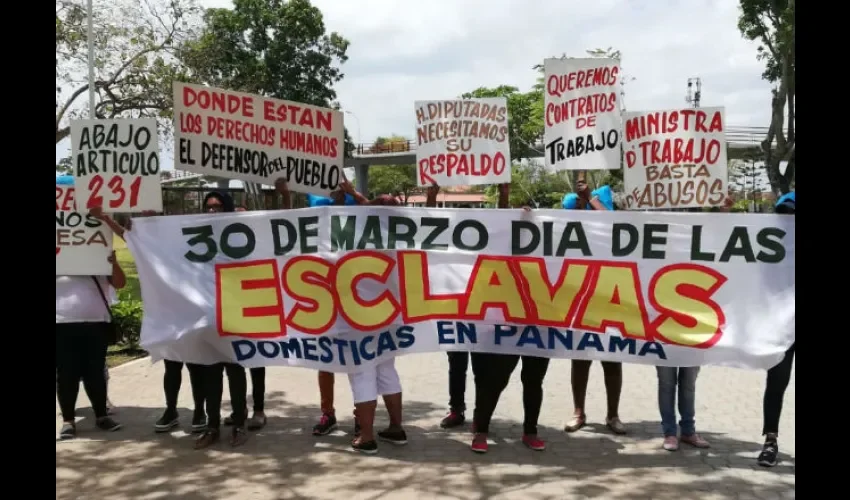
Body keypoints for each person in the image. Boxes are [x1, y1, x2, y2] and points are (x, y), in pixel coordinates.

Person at [470, 183, 550, 454]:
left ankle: (531, 431)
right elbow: (497, 233)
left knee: (533, 381)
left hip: (539, 325)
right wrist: (506, 207)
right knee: (495, 381)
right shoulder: (504, 251)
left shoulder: (548, 255)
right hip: (508, 325)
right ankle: (481, 430)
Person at [561, 181, 627, 435]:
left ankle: (613, 415)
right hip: (580, 302)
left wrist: (590, 199)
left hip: (612, 300)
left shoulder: (610, 227)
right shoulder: (570, 229)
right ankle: (578, 412)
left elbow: (611, 222)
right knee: (580, 360)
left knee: (612, 361)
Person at [56, 207, 126, 438]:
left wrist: (113, 263)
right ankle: (68, 420)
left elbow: (120, 283)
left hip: (96, 322)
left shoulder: (99, 256)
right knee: (67, 373)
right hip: (62, 323)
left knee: (94, 371)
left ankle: (101, 416)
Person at [346, 194, 408, 454]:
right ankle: (396, 427)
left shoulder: (357, 235)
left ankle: (367, 437)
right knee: (386, 371)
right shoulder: (406, 236)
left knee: (362, 372)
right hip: (391, 316)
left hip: (360, 315)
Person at [194, 191, 250, 449]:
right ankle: (212, 425)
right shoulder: (196, 236)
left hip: (235, 315)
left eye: (217, 207)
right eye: (208, 207)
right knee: (210, 375)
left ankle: (239, 423)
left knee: (236, 373)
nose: (212, 211)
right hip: (208, 316)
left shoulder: (239, 236)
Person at [309, 183, 360, 436]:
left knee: (356, 360)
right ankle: (327, 413)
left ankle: (361, 413)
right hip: (323, 298)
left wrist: (349, 197)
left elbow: (378, 213)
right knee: (324, 361)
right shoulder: (313, 196)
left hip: (353, 299)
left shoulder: (353, 197)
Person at [758, 191, 795, 467]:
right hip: (782, 327)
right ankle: (770, 441)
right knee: (776, 384)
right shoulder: (769, 249)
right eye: (784, 213)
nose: (787, 218)